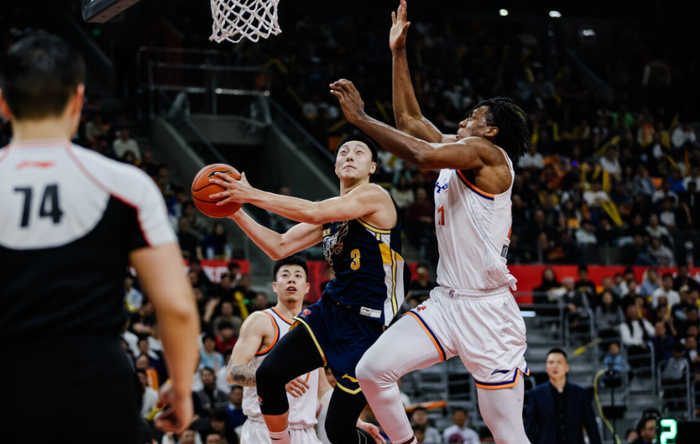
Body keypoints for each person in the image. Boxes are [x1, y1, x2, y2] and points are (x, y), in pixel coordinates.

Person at [333, 3, 530, 443]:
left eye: (474, 117)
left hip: (488, 313)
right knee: (372, 370)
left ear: (491, 131)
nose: (463, 120)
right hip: (446, 302)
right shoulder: (456, 150)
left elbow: (420, 155)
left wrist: (361, 120)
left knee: (506, 433)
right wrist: (398, 53)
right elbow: (409, 122)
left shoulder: (488, 155)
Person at [0, 32, 199, 441]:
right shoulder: (125, 185)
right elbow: (176, 307)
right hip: (96, 391)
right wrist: (180, 388)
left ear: (3, 102)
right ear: (78, 100)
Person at [211, 132, 406, 444]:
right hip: (331, 311)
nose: (350, 155)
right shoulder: (331, 215)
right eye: (343, 152)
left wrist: (250, 194)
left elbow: (314, 211)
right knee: (269, 374)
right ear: (335, 165)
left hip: (366, 326)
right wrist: (236, 211)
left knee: (338, 432)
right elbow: (279, 246)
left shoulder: (375, 196)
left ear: (372, 167)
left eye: (359, 152)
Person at [524, 349, 602, 444]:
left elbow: (592, 428)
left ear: (566, 367)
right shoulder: (536, 394)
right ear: (546, 367)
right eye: (551, 362)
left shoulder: (581, 393)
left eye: (559, 362)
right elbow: (530, 429)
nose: (554, 366)